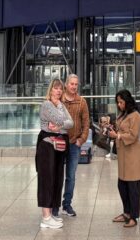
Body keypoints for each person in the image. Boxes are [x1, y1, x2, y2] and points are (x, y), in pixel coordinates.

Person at [36, 79, 74, 230]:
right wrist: (62, 122)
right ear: (50, 90)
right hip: (47, 146)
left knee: (56, 179)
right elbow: (61, 119)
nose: (58, 91)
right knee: (47, 179)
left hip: (58, 146)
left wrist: (59, 127)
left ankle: (50, 214)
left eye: (60, 89)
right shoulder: (47, 105)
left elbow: (71, 123)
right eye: (56, 88)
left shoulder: (61, 105)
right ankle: (45, 217)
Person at [53, 74, 89, 218]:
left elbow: (86, 123)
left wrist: (81, 140)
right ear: (66, 85)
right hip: (59, 143)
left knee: (71, 177)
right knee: (57, 175)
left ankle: (67, 205)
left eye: (76, 84)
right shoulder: (59, 100)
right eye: (71, 84)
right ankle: (55, 206)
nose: (74, 86)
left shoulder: (82, 102)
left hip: (74, 144)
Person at [107, 89, 140, 228]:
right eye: (118, 102)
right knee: (122, 185)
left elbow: (133, 136)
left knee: (133, 187)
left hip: (132, 154)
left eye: (121, 102)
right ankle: (127, 213)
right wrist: (112, 129)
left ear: (127, 101)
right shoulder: (123, 114)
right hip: (123, 154)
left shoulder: (136, 116)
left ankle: (134, 216)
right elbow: (120, 129)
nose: (119, 105)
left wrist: (117, 136)